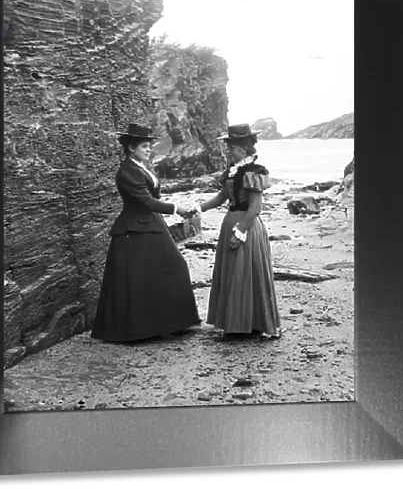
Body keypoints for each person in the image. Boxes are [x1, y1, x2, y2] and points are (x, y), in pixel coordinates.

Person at [91, 123, 201, 342]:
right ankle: (143, 328)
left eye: (149, 145)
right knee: (147, 274)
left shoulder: (140, 167)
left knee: (164, 268)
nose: (149, 149)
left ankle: (171, 322)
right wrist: (176, 208)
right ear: (131, 148)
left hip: (149, 224)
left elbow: (150, 199)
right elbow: (146, 201)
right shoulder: (127, 172)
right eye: (144, 146)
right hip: (136, 227)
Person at [189, 123, 281, 339]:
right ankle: (235, 323)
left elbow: (255, 208)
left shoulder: (253, 171)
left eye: (231, 147)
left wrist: (240, 232)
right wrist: (198, 208)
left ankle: (251, 324)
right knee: (234, 273)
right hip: (230, 222)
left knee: (246, 273)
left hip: (246, 226)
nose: (228, 150)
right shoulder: (234, 170)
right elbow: (222, 197)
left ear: (243, 148)